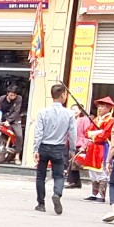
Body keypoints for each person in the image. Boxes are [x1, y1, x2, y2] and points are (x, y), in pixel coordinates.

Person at [33, 83, 77, 214]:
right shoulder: (69, 114)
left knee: (40, 176)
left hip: (44, 147)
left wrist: (35, 149)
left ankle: (41, 204)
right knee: (58, 175)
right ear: (63, 95)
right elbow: (72, 134)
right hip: (59, 148)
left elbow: (38, 132)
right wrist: (72, 150)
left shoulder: (42, 112)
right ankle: (57, 194)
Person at [79, 97, 114, 203]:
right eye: (99, 106)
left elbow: (104, 135)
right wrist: (95, 133)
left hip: (102, 148)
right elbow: (87, 132)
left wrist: (94, 134)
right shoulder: (96, 119)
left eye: (102, 106)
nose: (100, 108)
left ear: (109, 108)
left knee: (102, 171)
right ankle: (93, 193)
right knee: (93, 172)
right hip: (93, 147)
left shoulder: (111, 120)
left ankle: (101, 195)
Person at [0, 84, 26, 164]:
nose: (13, 96)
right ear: (7, 93)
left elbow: (16, 111)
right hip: (3, 119)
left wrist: (8, 120)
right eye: (11, 95)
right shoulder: (1, 99)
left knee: (19, 135)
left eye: (14, 95)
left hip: (15, 120)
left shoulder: (19, 99)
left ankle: (17, 156)